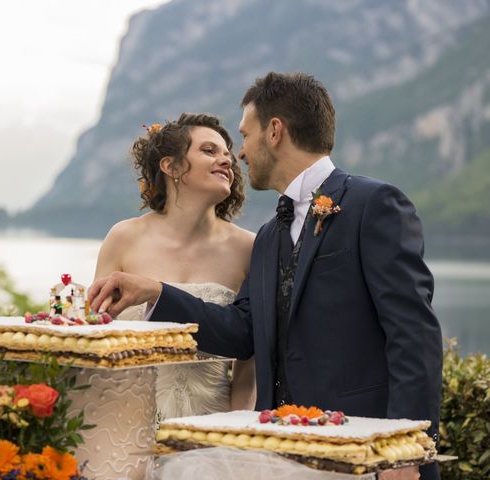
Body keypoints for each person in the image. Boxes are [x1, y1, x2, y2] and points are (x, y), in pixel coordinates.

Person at [90, 72, 442, 480]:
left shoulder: (373, 204)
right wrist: (155, 291)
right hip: (279, 457)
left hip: (365, 453)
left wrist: (404, 449)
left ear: (275, 131)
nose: (239, 154)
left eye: (245, 136)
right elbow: (241, 331)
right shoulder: (270, 235)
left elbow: (414, 334)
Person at [94, 113, 257, 419]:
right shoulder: (123, 238)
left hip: (209, 429)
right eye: (209, 151)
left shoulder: (248, 248)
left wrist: (234, 437)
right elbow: (97, 340)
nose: (227, 161)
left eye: (227, 155)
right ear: (170, 166)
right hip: (124, 424)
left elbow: (248, 370)